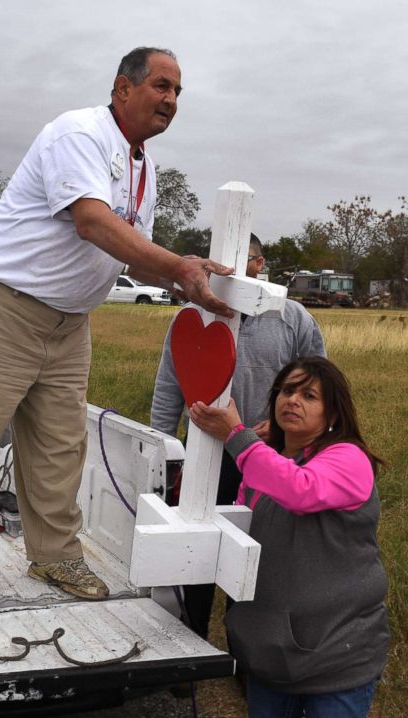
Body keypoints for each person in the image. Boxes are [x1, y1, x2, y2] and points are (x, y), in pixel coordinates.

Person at [0, 47, 236, 604]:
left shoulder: (143, 166)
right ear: (122, 89)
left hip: (68, 321)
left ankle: (55, 557)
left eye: (178, 92)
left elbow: (126, 253)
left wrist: (179, 281)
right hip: (4, 303)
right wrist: (177, 264)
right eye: (161, 86)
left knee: (61, 443)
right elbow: (92, 222)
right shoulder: (78, 134)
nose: (170, 100)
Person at [189, 356, 388, 717]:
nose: (292, 400)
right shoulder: (268, 462)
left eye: (309, 395)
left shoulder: (349, 458)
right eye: (287, 390)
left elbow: (301, 490)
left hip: (336, 656)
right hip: (271, 656)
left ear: (333, 415)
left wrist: (238, 437)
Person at [151, 233, 326, 638]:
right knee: (196, 545)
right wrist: (162, 451)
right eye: (216, 261)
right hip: (204, 455)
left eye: (239, 259)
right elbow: (168, 387)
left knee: (254, 552)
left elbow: (320, 384)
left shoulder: (292, 317)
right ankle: (189, 643)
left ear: (259, 264)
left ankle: (246, 652)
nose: (225, 269)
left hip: (268, 457)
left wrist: (282, 430)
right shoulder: (191, 317)